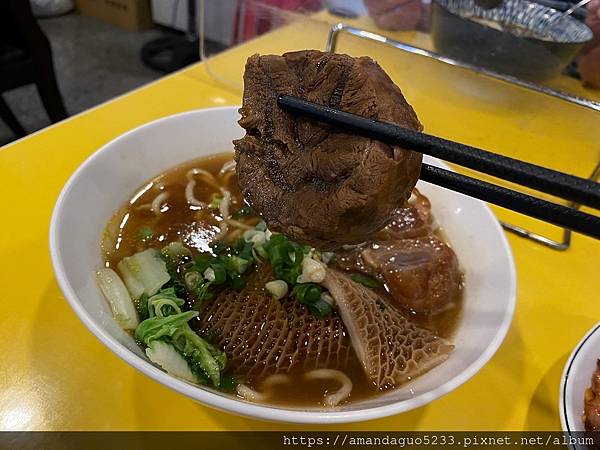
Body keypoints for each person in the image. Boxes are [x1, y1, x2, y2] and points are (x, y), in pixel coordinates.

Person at [364, 0, 600, 88]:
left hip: (548, 93)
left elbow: (592, 71)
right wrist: (408, 11)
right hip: (427, 68)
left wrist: (592, 40)